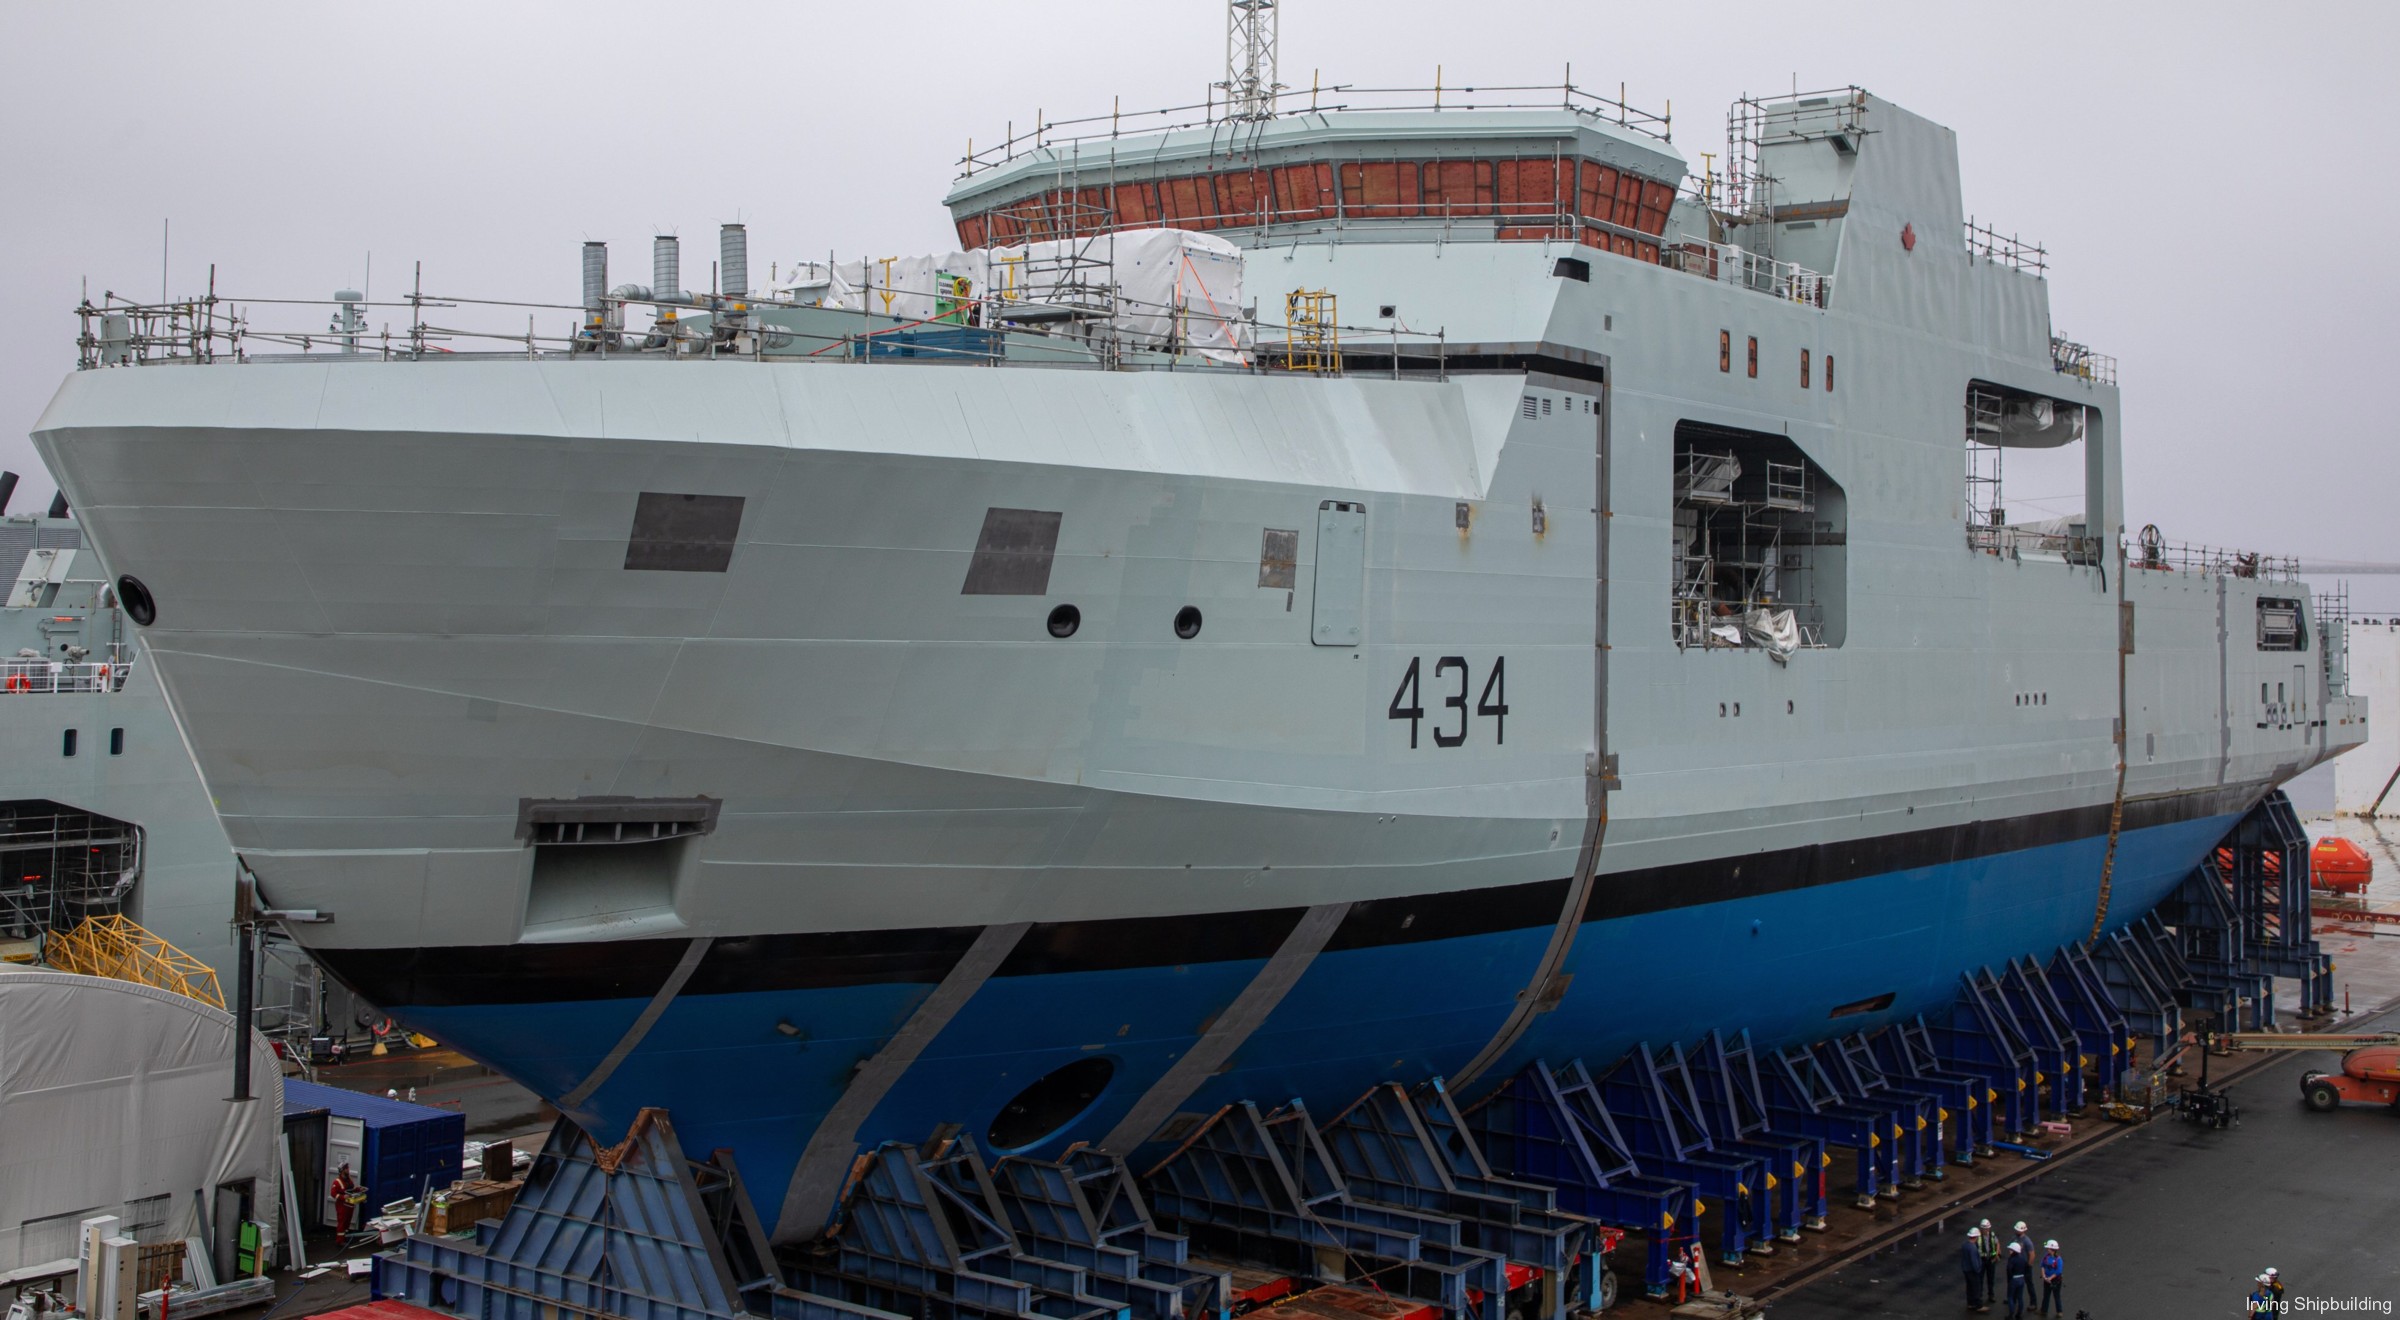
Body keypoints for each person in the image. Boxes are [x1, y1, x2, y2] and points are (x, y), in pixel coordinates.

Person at [1961, 1227, 1987, 1311]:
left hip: (1966, 1269)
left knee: (1969, 1287)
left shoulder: (1965, 1245)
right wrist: (1978, 1269)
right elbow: (1974, 1261)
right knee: (1976, 1287)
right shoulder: (1973, 1248)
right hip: (1972, 1271)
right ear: (1976, 1237)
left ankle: (1970, 1303)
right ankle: (1978, 1305)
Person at [329, 1163, 356, 1239]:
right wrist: (343, 1197)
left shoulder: (349, 1180)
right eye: (346, 1169)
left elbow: (351, 1189)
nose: (348, 1170)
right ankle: (340, 1241)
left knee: (347, 1222)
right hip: (342, 1206)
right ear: (342, 1170)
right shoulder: (337, 1182)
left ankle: (345, 1237)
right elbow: (333, 1193)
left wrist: (358, 1189)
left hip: (350, 1205)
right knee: (342, 1223)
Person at [2003, 1241, 2030, 1318]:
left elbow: (2009, 1269)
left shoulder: (2012, 1259)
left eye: (2011, 1250)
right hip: (2021, 1279)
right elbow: (2027, 1268)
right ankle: (2019, 1314)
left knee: (2010, 1297)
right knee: (2020, 1297)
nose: (2009, 1251)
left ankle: (2011, 1314)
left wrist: (2010, 1279)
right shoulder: (2023, 1258)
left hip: (2014, 1280)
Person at [2037, 1240, 2064, 1316]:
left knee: (2056, 1296)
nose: (2047, 1249)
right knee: (2046, 1296)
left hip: (2056, 1281)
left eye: (2048, 1248)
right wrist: (2044, 1276)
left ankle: (2059, 1312)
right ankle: (2044, 1310)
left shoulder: (2058, 1259)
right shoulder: (2046, 1256)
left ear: (2052, 1249)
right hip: (2047, 1279)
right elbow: (2042, 1265)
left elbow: (2058, 1271)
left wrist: (2050, 1278)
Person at [1978, 1219, 2001, 1302]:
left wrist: (1997, 1254)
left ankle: (1991, 1294)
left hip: (1991, 1259)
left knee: (1991, 1278)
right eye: (1986, 1229)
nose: (1987, 1230)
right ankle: (1979, 1295)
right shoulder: (1978, 1236)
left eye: (1988, 1228)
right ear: (1981, 1228)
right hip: (1982, 1260)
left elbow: (1997, 1243)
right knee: (1980, 1279)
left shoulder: (1991, 1235)